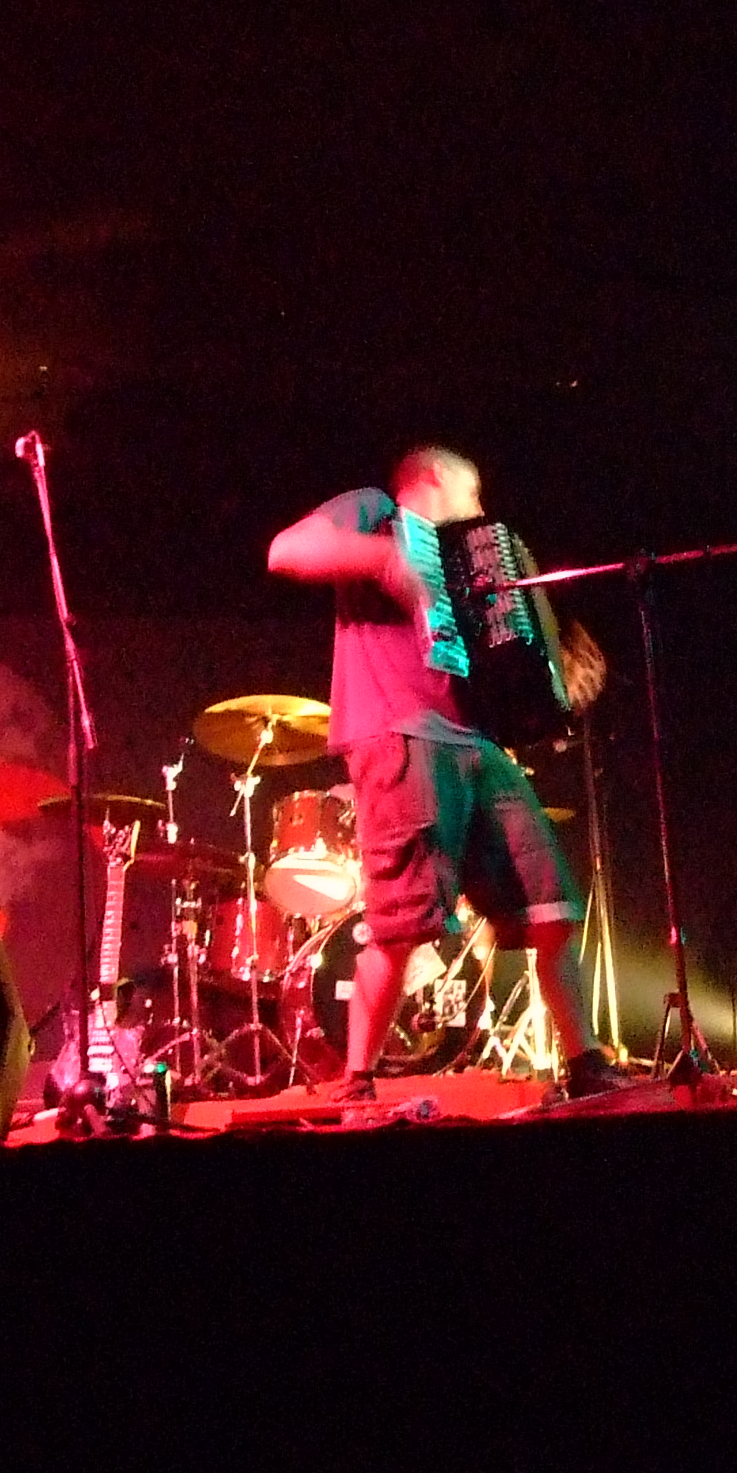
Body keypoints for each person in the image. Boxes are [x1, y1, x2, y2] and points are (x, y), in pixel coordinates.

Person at [267, 446, 629, 1103]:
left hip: (478, 743)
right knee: (402, 923)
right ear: (436, 477)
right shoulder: (376, 512)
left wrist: (539, 687)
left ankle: (585, 1062)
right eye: (475, 494)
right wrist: (389, 562)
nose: (481, 511)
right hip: (400, 733)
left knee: (550, 906)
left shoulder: (472, 557)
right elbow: (286, 551)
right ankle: (358, 1078)